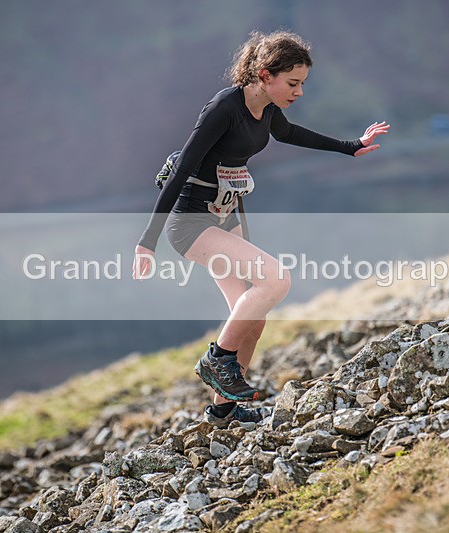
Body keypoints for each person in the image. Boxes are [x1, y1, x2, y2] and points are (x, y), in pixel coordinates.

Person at [132, 30, 389, 427]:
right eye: (293, 83)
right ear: (265, 74)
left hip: (227, 215)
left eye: (302, 83)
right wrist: (147, 242)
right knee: (276, 281)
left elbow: (289, 133)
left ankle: (223, 411)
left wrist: (350, 145)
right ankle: (217, 359)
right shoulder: (224, 108)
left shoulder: (267, 107)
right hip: (191, 223)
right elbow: (182, 169)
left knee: (254, 314)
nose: (299, 92)